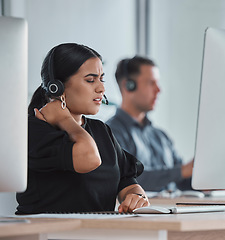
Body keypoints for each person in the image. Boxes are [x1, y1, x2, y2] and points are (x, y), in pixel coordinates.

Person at [16, 43, 149, 214]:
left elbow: (127, 180)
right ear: (57, 86)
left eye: (101, 79)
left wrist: (135, 197)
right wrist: (64, 119)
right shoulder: (34, 130)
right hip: (48, 235)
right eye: (90, 80)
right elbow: (88, 158)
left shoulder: (101, 130)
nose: (101, 88)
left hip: (95, 232)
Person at [106, 56, 193, 192]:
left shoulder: (160, 136)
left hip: (173, 208)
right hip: (143, 211)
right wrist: (181, 171)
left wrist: (205, 182)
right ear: (128, 85)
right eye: (151, 83)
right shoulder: (110, 133)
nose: (159, 90)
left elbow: (182, 179)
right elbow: (128, 179)